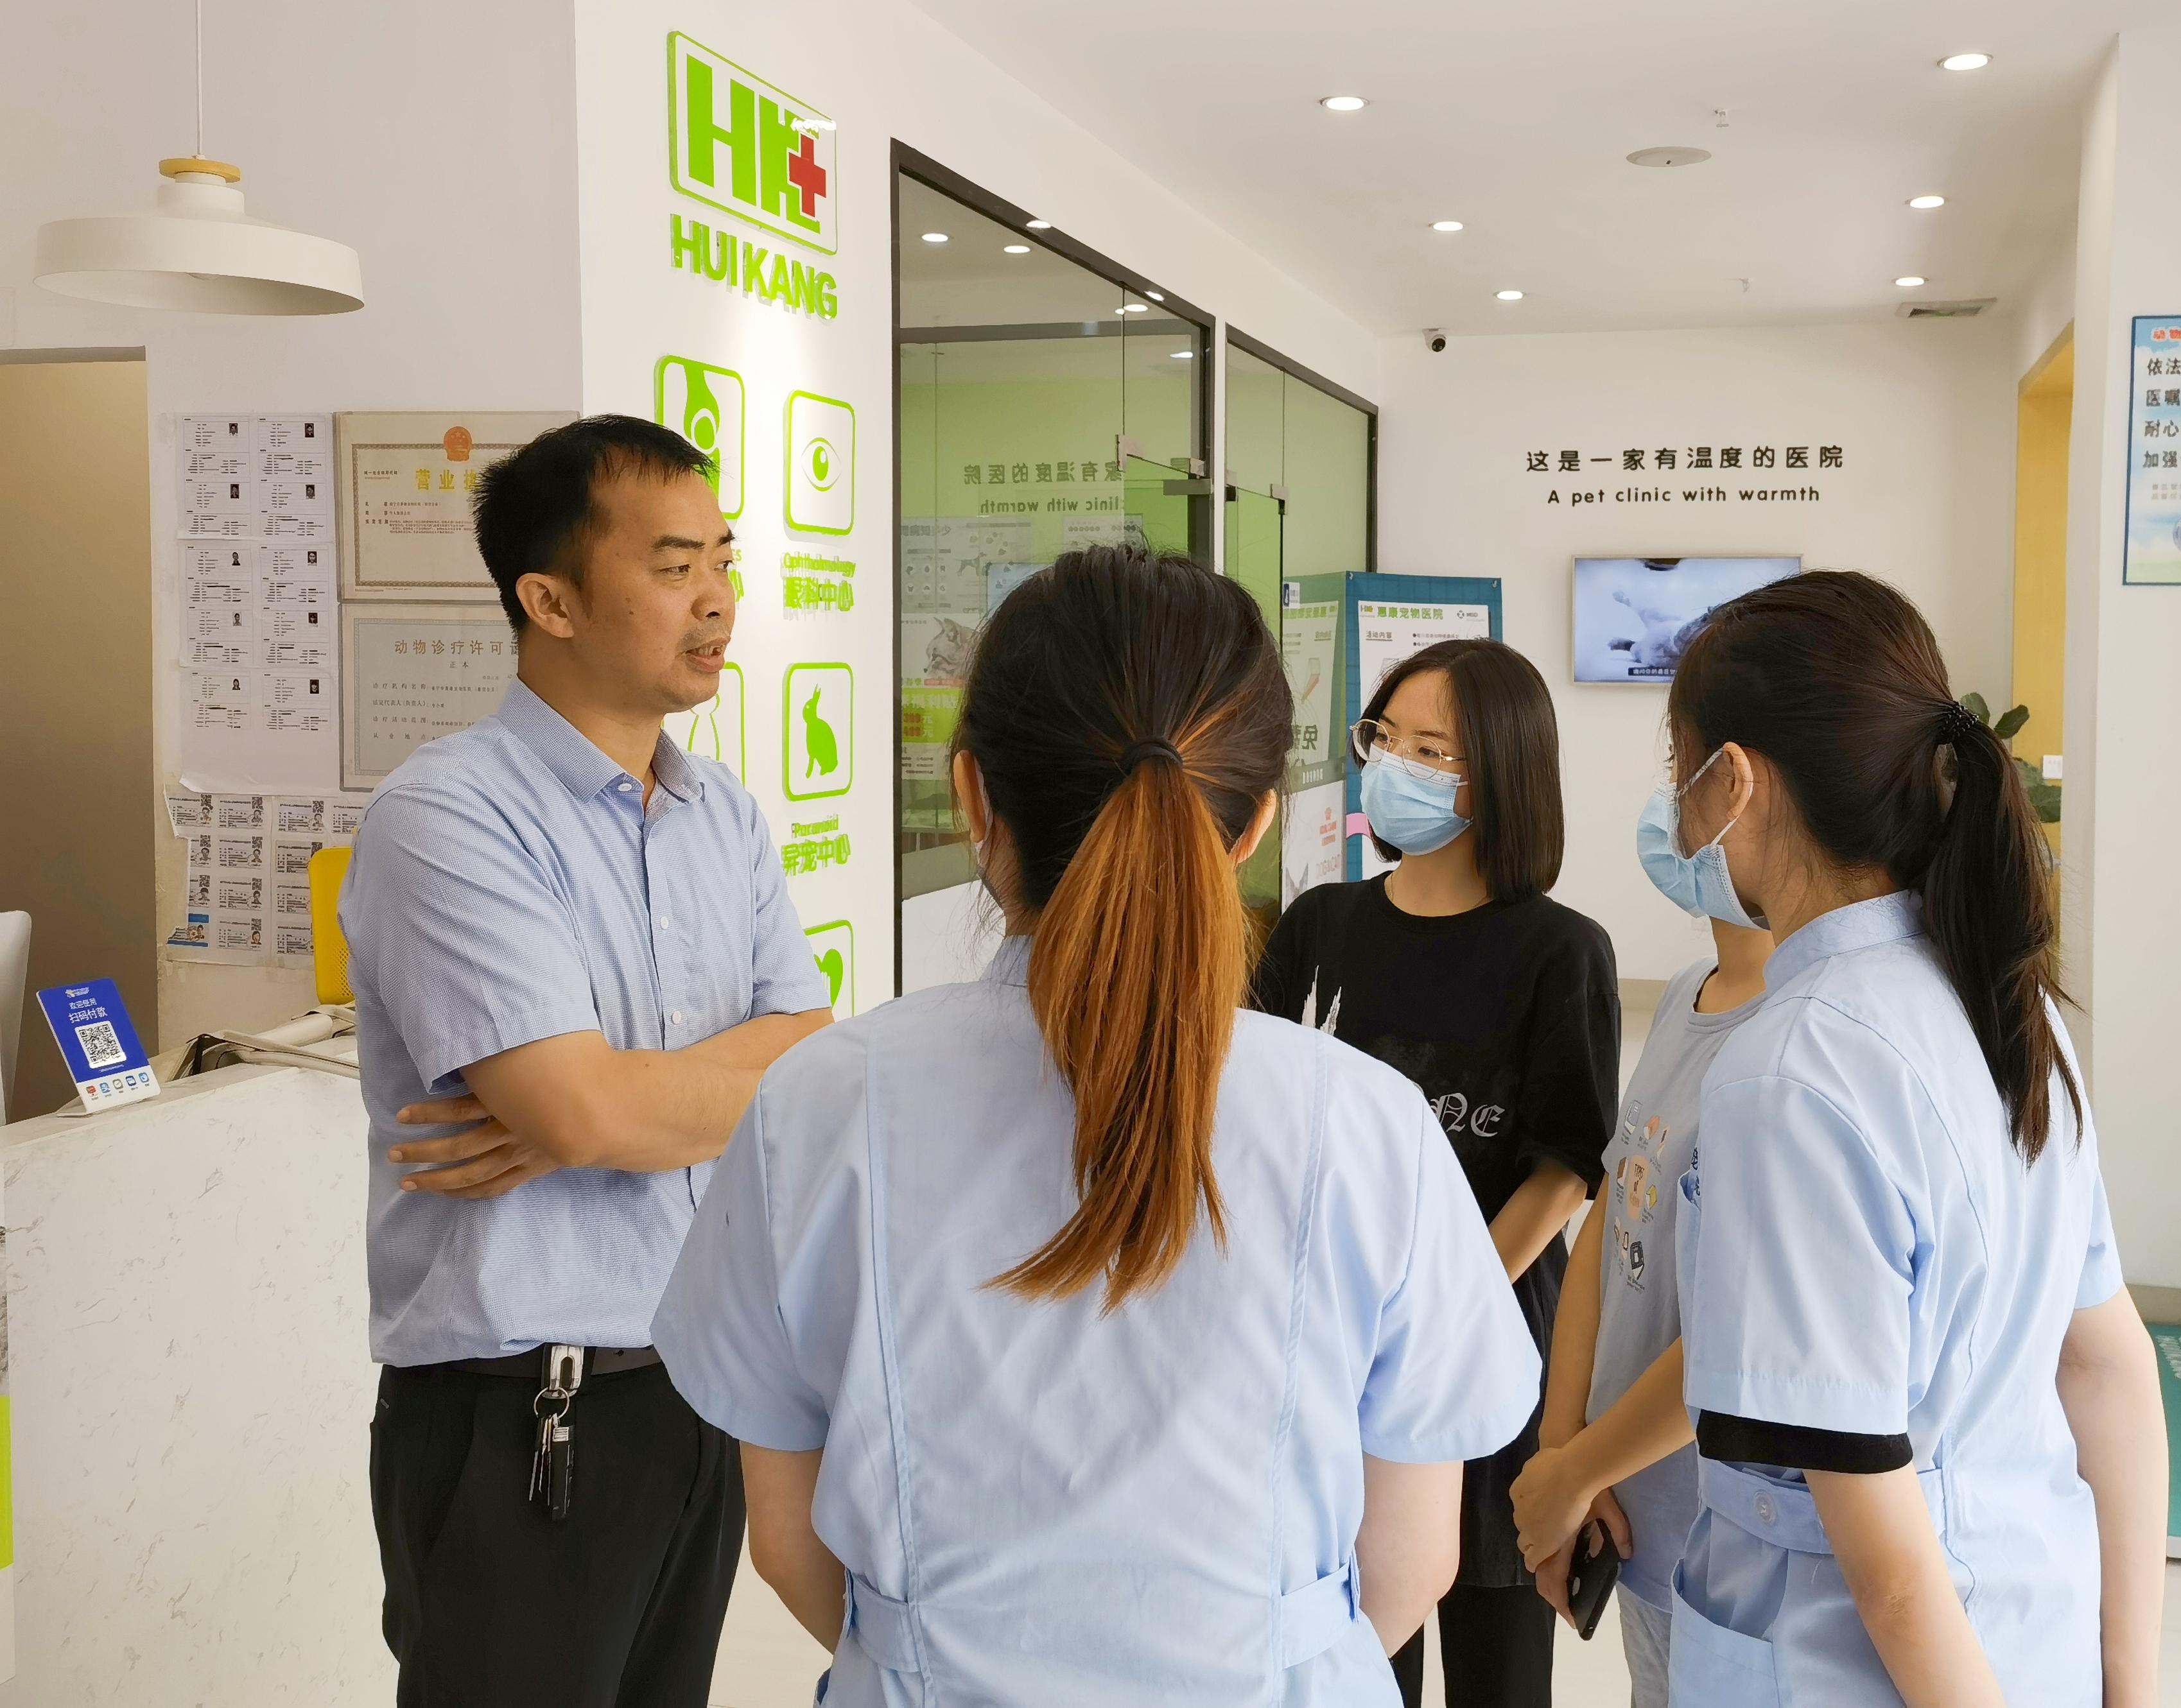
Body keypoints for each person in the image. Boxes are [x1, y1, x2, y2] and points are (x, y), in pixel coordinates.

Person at [651, 545, 1541, 1706]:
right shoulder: (1371, 1123)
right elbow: (1413, 1563)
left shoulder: (819, 1103)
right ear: (1254, 826)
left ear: (973, 797)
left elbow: (785, 1541)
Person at [340, 415, 833, 1707]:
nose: (717, 597)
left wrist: (610, 1100)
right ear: (549, 600)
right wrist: (591, 1106)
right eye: (674, 566)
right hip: (521, 1416)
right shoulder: (446, 814)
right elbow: (578, 1108)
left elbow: (812, 1059)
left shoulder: (723, 816)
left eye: (722, 558)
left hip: (698, 1391)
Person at [1655, 571, 2166, 1705]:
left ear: (1733, 781)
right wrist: (2131, 1683)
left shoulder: (1787, 1072)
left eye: (1677, 771)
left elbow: (1886, 1572)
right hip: (2028, 1633)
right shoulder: (2010, 1008)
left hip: (1862, 1669)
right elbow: (2107, 1363)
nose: (1674, 812)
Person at [1254, 639, 1620, 1708]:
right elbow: (1256, 1115)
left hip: (1488, 1340)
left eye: (1430, 749)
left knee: (1499, 1662)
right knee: (1358, 1648)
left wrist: (1445, 1301)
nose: (1392, 765)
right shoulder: (1320, 926)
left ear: (1499, 773)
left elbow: (1564, 1166)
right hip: (1331, 1342)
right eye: (1384, 738)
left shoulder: (1560, 951)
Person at [1510, 910, 1771, 1705]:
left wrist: (1575, 1472)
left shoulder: (1790, 1039)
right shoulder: (1687, 992)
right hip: (1629, 1523)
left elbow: (1740, 1329)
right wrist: (1563, 1446)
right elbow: (1614, 1215)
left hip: (1725, 1548)